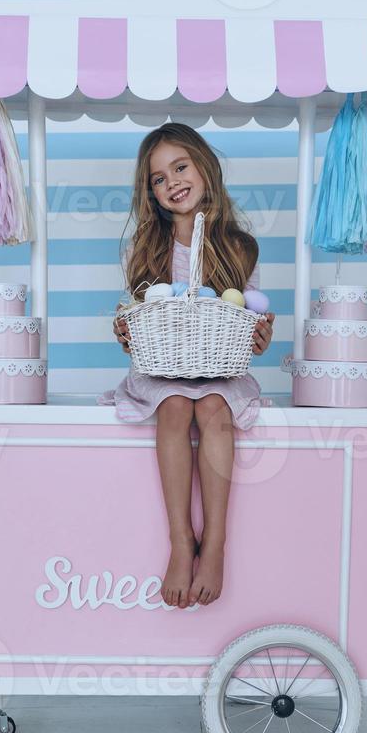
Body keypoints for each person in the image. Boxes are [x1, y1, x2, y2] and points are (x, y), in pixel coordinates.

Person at [96, 123, 275, 610]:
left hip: (218, 368)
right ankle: (181, 540)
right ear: (149, 192)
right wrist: (125, 329)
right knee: (175, 406)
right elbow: (140, 314)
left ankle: (214, 542)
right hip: (163, 369)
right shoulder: (145, 247)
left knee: (213, 408)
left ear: (204, 167)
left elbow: (245, 315)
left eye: (180, 167)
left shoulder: (238, 246)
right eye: (158, 178)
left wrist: (259, 335)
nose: (172, 181)